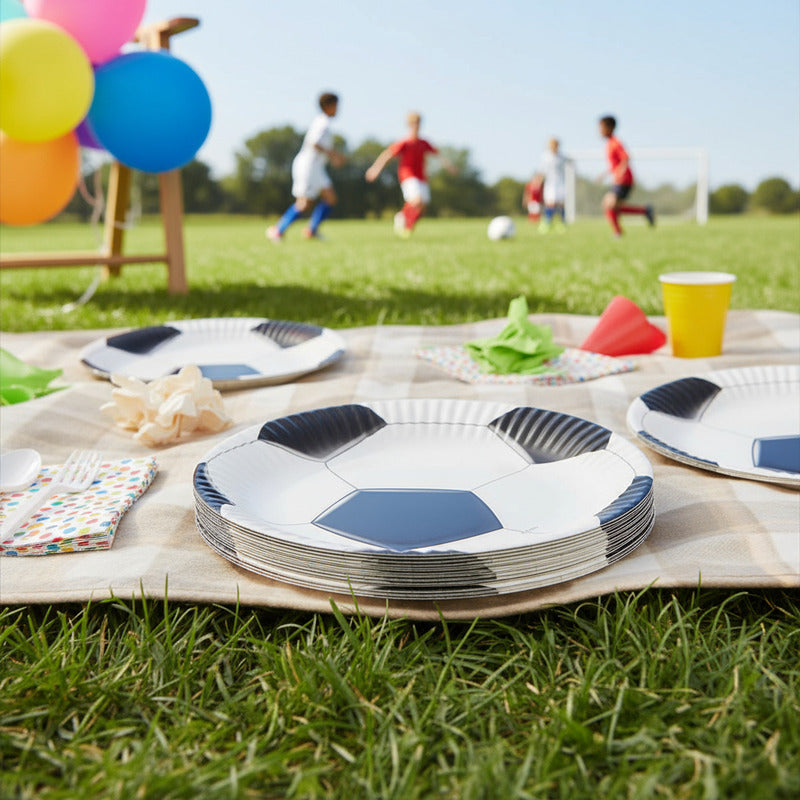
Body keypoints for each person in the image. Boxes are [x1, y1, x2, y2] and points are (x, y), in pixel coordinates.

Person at [267, 92, 346, 242]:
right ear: (328, 106)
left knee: (330, 198)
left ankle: (311, 230)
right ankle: (278, 230)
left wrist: (334, 155)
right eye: (336, 106)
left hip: (317, 168)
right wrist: (333, 156)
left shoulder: (324, 123)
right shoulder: (322, 122)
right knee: (304, 204)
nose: (338, 109)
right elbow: (313, 142)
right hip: (308, 166)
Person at [365, 111, 456, 237]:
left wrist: (450, 166)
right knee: (417, 200)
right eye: (413, 123)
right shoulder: (404, 143)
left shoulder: (423, 143)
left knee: (422, 209)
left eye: (418, 123)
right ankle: (401, 216)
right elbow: (387, 155)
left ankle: (407, 227)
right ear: (408, 125)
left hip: (421, 177)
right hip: (408, 175)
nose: (416, 126)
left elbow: (438, 154)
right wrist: (375, 169)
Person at [597, 115, 655, 236]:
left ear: (610, 128)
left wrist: (621, 172)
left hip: (624, 180)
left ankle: (618, 232)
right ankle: (644, 211)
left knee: (609, 204)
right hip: (620, 179)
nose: (599, 131)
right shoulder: (609, 143)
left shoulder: (615, 142)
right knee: (613, 206)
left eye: (601, 127)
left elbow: (626, 157)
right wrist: (604, 174)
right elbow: (615, 164)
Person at [539, 138, 568, 233]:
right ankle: (547, 222)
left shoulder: (562, 157)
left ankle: (562, 223)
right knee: (550, 203)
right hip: (550, 183)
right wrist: (539, 180)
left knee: (561, 203)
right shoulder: (546, 157)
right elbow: (542, 170)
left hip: (560, 183)